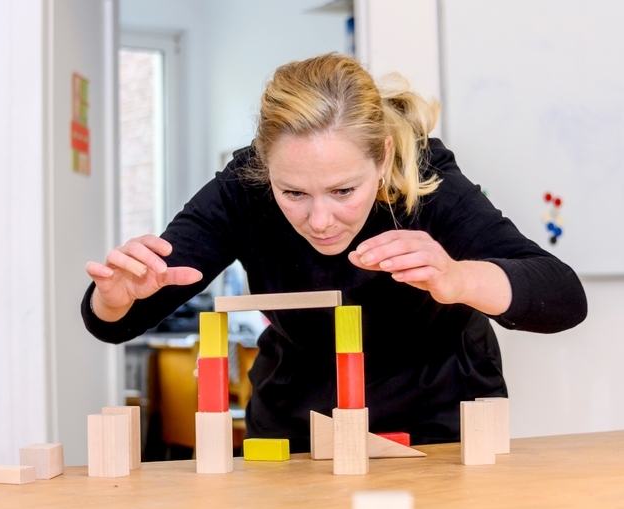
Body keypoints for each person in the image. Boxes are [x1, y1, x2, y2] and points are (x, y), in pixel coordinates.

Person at [82, 53, 587, 452]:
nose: (319, 221)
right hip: (297, 422)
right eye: (294, 193)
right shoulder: (244, 187)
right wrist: (118, 296)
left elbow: (563, 296)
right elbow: (116, 320)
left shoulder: (427, 178)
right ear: (266, 168)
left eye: (343, 191)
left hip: (438, 423)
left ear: (384, 155)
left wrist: (458, 278)